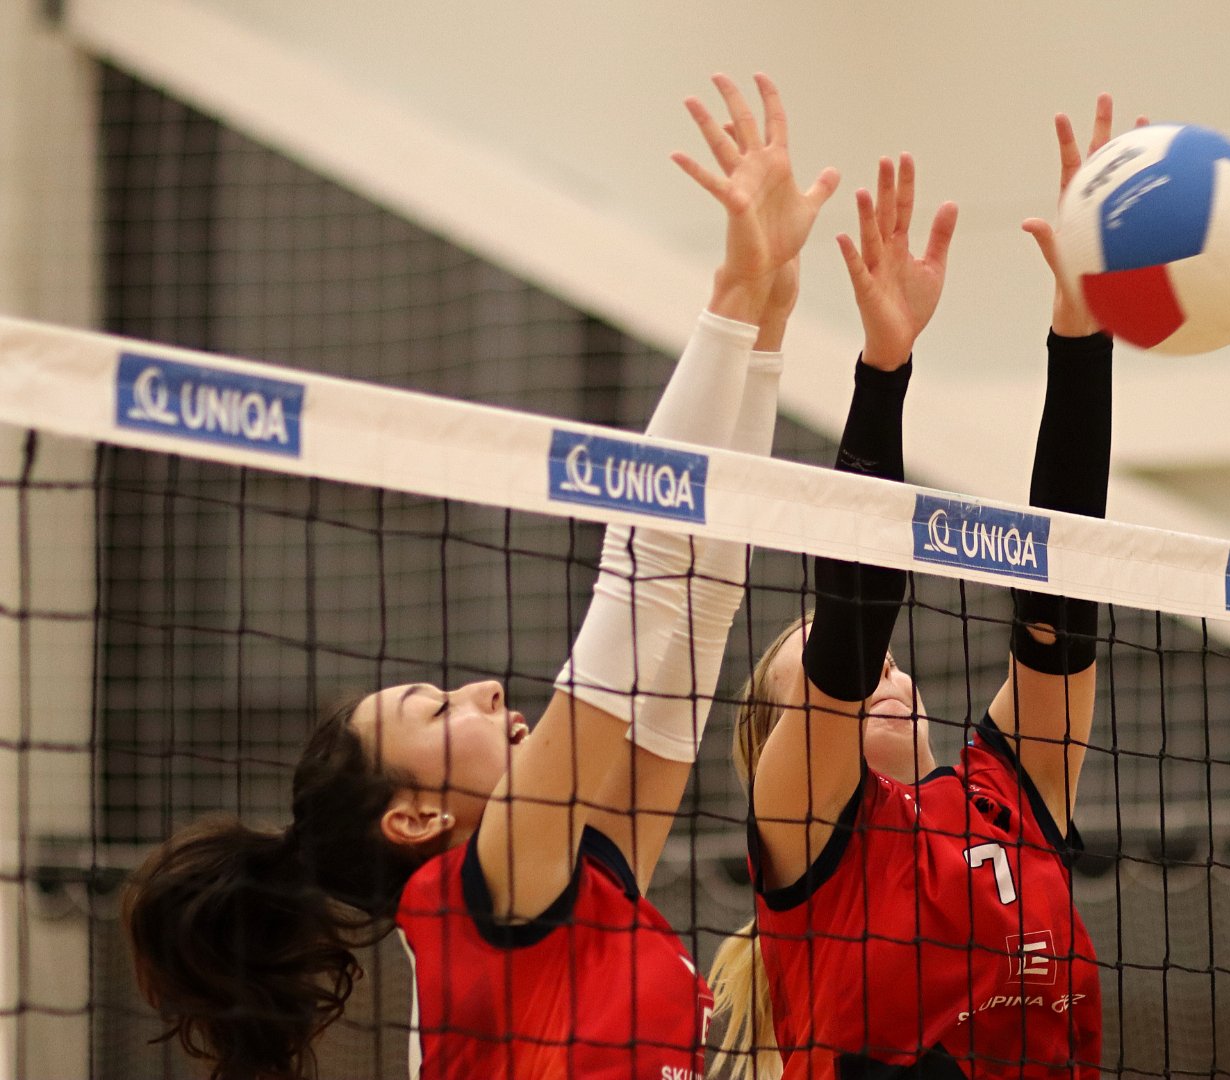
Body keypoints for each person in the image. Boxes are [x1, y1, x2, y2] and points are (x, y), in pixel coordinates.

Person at [121, 73, 838, 1080]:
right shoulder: (477, 889)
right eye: (436, 707)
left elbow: (695, 604)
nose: (486, 689)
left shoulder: (567, 877)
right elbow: (642, 591)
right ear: (416, 819)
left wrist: (763, 317)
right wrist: (731, 302)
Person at [709, 95, 1143, 1079]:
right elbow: (855, 619)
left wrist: (1080, 333)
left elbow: (1061, 593)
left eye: (890, 665)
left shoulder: (1007, 793)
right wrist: (885, 370)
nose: (884, 674)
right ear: (784, 738)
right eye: (831, 680)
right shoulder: (805, 836)